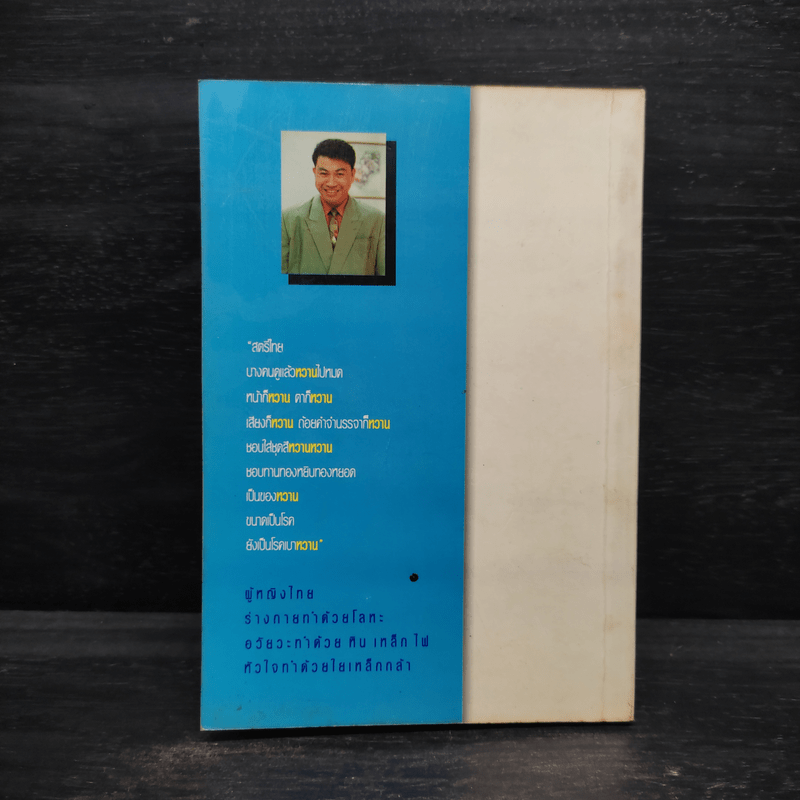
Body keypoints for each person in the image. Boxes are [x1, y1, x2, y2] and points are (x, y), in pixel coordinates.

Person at [281, 139, 386, 276]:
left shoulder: (377, 220)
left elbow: (385, 279)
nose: (331, 183)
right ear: (315, 172)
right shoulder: (288, 219)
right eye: (324, 173)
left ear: (352, 175)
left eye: (339, 174)